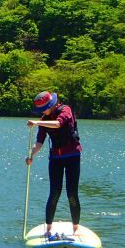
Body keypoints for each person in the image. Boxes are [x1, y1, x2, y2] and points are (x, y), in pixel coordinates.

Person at [25, 90, 82, 238]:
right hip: (55, 158)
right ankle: (48, 228)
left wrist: (38, 122)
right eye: (41, 110)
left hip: (72, 156)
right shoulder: (44, 119)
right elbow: (39, 142)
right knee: (54, 193)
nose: (42, 112)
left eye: (44, 108)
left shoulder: (66, 110)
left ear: (52, 104)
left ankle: (75, 228)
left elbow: (58, 124)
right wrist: (31, 155)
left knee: (72, 194)